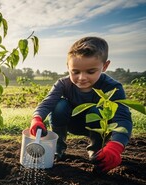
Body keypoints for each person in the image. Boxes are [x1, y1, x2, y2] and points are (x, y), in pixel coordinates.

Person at [30, 36, 132, 173]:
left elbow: (123, 118)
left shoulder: (113, 87)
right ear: (68, 67)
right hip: (71, 122)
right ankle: (58, 148)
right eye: (75, 72)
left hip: (98, 127)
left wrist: (116, 146)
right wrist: (36, 119)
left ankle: (97, 151)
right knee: (59, 105)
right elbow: (47, 103)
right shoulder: (63, 84)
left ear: (105, 66)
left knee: (97, 110)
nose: (82, 78)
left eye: (91, 71)